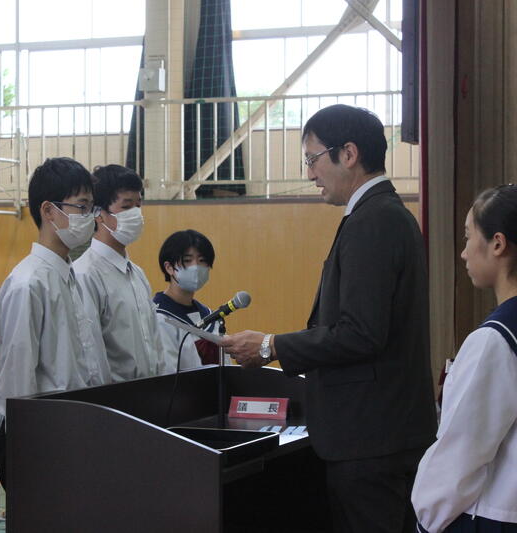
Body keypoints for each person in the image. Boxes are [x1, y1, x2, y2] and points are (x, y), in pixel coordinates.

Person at [220, 104, 437, 533]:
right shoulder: (384, 214)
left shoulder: (373, 221)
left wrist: (270, 346)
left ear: (349, 154)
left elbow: (361, 333)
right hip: (383, 431)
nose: (310, 173)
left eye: (313, 159)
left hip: (368, 438)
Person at [0, 157, 111, 486]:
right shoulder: (28, 284)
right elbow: (17, 383)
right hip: (40, 439)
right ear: (48, 211)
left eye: (92, 208)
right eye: (81, 207)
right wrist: (30, 452)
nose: (90, 218)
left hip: (78, 431)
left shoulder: (73, 278)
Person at [412, 185, 517, 532]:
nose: (463, 252)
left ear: (497, 244)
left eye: (468, 236)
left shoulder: (495, 340)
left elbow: (462, 454)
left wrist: (427, 519)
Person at [73, 164, 165, 381]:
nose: (136, 214)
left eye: (138, 205)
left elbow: (155, 343)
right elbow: (91, 354)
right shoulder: (85, 275)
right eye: (126, 206)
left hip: (151, 392)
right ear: (98, 214)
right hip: (113, 396)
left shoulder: (138, 274)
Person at [154, 229, 220, 372]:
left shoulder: (211, 316)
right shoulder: (159, 318)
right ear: (169, 267)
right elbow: (168, 374)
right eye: (187, 261)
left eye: (202, 260)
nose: (196, 267)